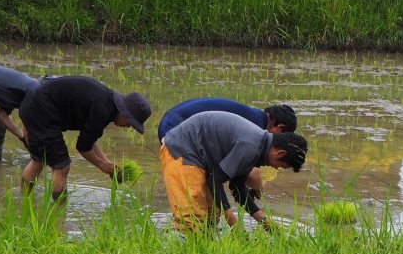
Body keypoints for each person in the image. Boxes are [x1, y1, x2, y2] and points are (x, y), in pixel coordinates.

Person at [159, 110, 308, 233]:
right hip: (182, 150)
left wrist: (264, 222)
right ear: (280, 153)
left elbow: (237, 188)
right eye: (281, 166)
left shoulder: (259, 146)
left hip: (201, 159)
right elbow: (215, 181)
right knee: (191, 218)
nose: (276, 168)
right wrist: (235, 225)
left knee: (211, 217)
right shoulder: (250, 146)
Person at [18, 76, 151, 201]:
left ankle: (24, 202)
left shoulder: (107, 103)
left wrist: (107, 163)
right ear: (124, 112)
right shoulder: (102, 110)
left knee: (39, 159)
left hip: (33, 105)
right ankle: (59, 213)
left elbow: (89, 141)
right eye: (130, 122)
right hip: (41, 112)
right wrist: (101, 165)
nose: (128, 127)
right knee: (62, 166)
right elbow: (82, 147)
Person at [157, 98, 296, 141]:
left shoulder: (254, 116)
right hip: (176, 124)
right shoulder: (257, 127)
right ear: (280, 128)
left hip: (172, 119)